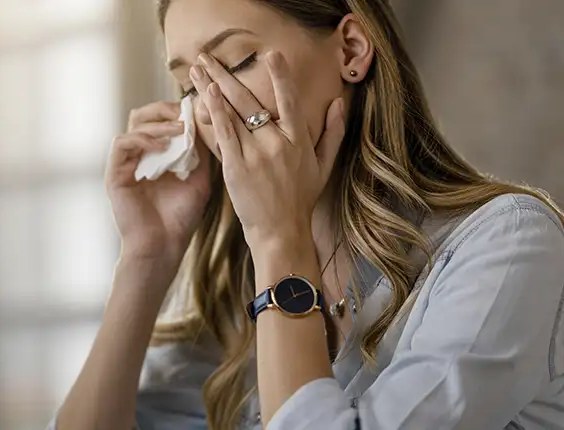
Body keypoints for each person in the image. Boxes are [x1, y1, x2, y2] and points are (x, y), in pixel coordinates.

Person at [48, 0, 564, 429]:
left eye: (236, 62)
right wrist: (146, 256)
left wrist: (279, 242)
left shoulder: (509, 243)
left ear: (351, 50)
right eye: (189, 86)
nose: (210, 107)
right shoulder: (230, 306)